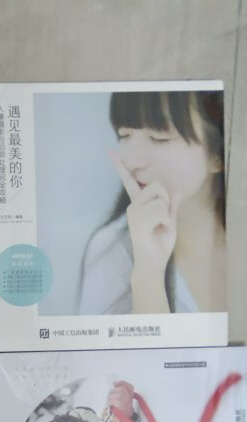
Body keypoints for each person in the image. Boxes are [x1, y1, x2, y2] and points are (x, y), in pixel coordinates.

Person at [79, 90, 225, 315]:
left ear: (217, 154)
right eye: (124, 135)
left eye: (159, 138)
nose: (131, 161)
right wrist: (148, 273)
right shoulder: (112, 250)